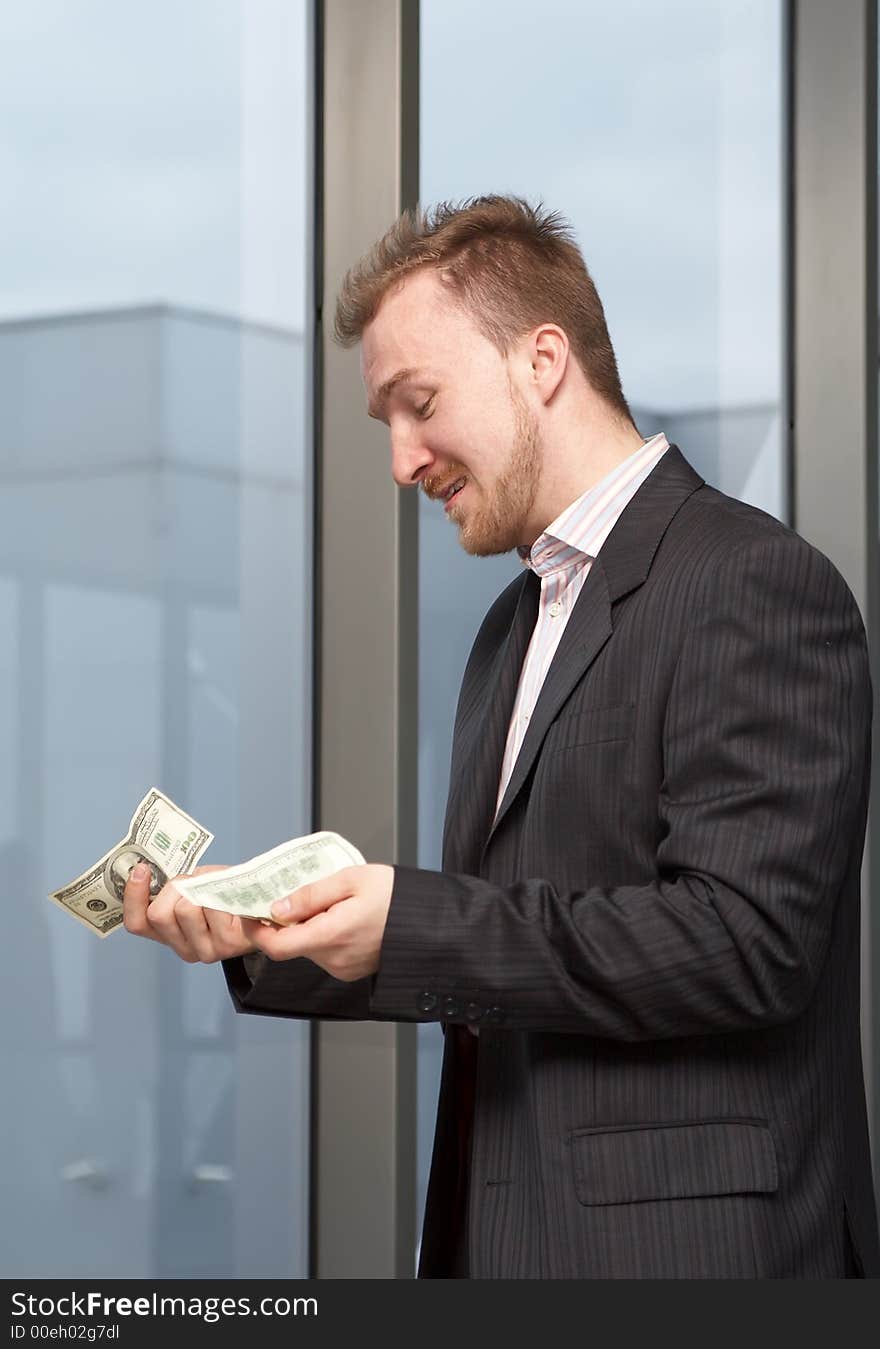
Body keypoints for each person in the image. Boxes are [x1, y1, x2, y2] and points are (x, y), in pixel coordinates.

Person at [124, 196, 879, 1279]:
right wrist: (267, 926)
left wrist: (409, 916)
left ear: (541, 359)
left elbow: (747, 941)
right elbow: (516, 938)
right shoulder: (509, 626)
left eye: (417, 401)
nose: (401, 458)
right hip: (503, 1246)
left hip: (689, 1259)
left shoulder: (753, 581)